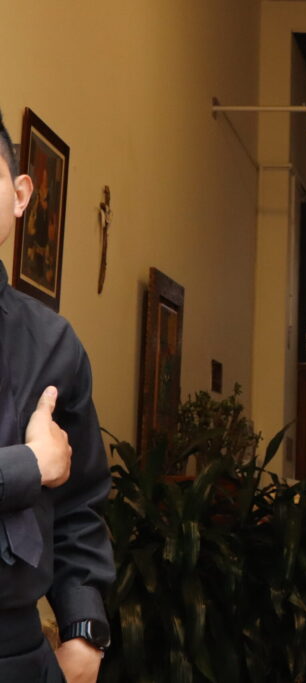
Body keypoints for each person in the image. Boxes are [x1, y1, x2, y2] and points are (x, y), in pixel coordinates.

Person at [0, 109, 114, 682]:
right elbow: (41, 472)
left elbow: (80, 502)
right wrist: (29, 465)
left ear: (21, 195)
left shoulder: (53, 342)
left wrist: (83, 629)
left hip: (19, 653)